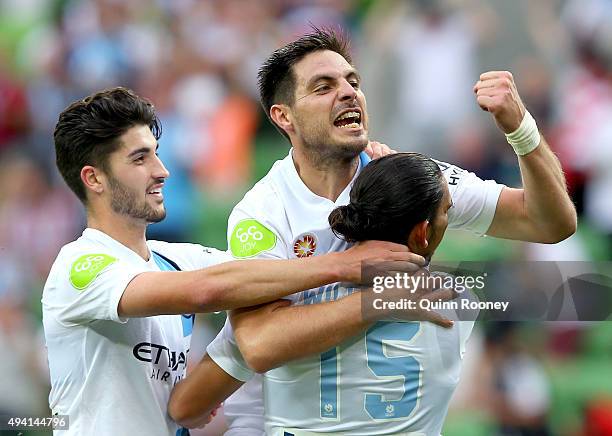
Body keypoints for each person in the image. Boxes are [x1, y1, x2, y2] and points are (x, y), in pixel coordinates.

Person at [170, 27, 576, 434]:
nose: (348, 92)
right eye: (323, 87)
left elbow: (549, 222)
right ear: (283, 116)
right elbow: (259, 345)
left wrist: (521, 129)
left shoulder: (409, 179)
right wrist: (383, 295)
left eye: (353, 81)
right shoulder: (262, 214)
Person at [42, 87, 421, 436]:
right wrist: (344, 265)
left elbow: (272, 276)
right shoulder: (79, 266)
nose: (162, 170)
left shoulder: (178, 258)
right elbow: (207, 291)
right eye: (140, 158)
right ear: (94, 178)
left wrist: (378, 183)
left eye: (156, 153)